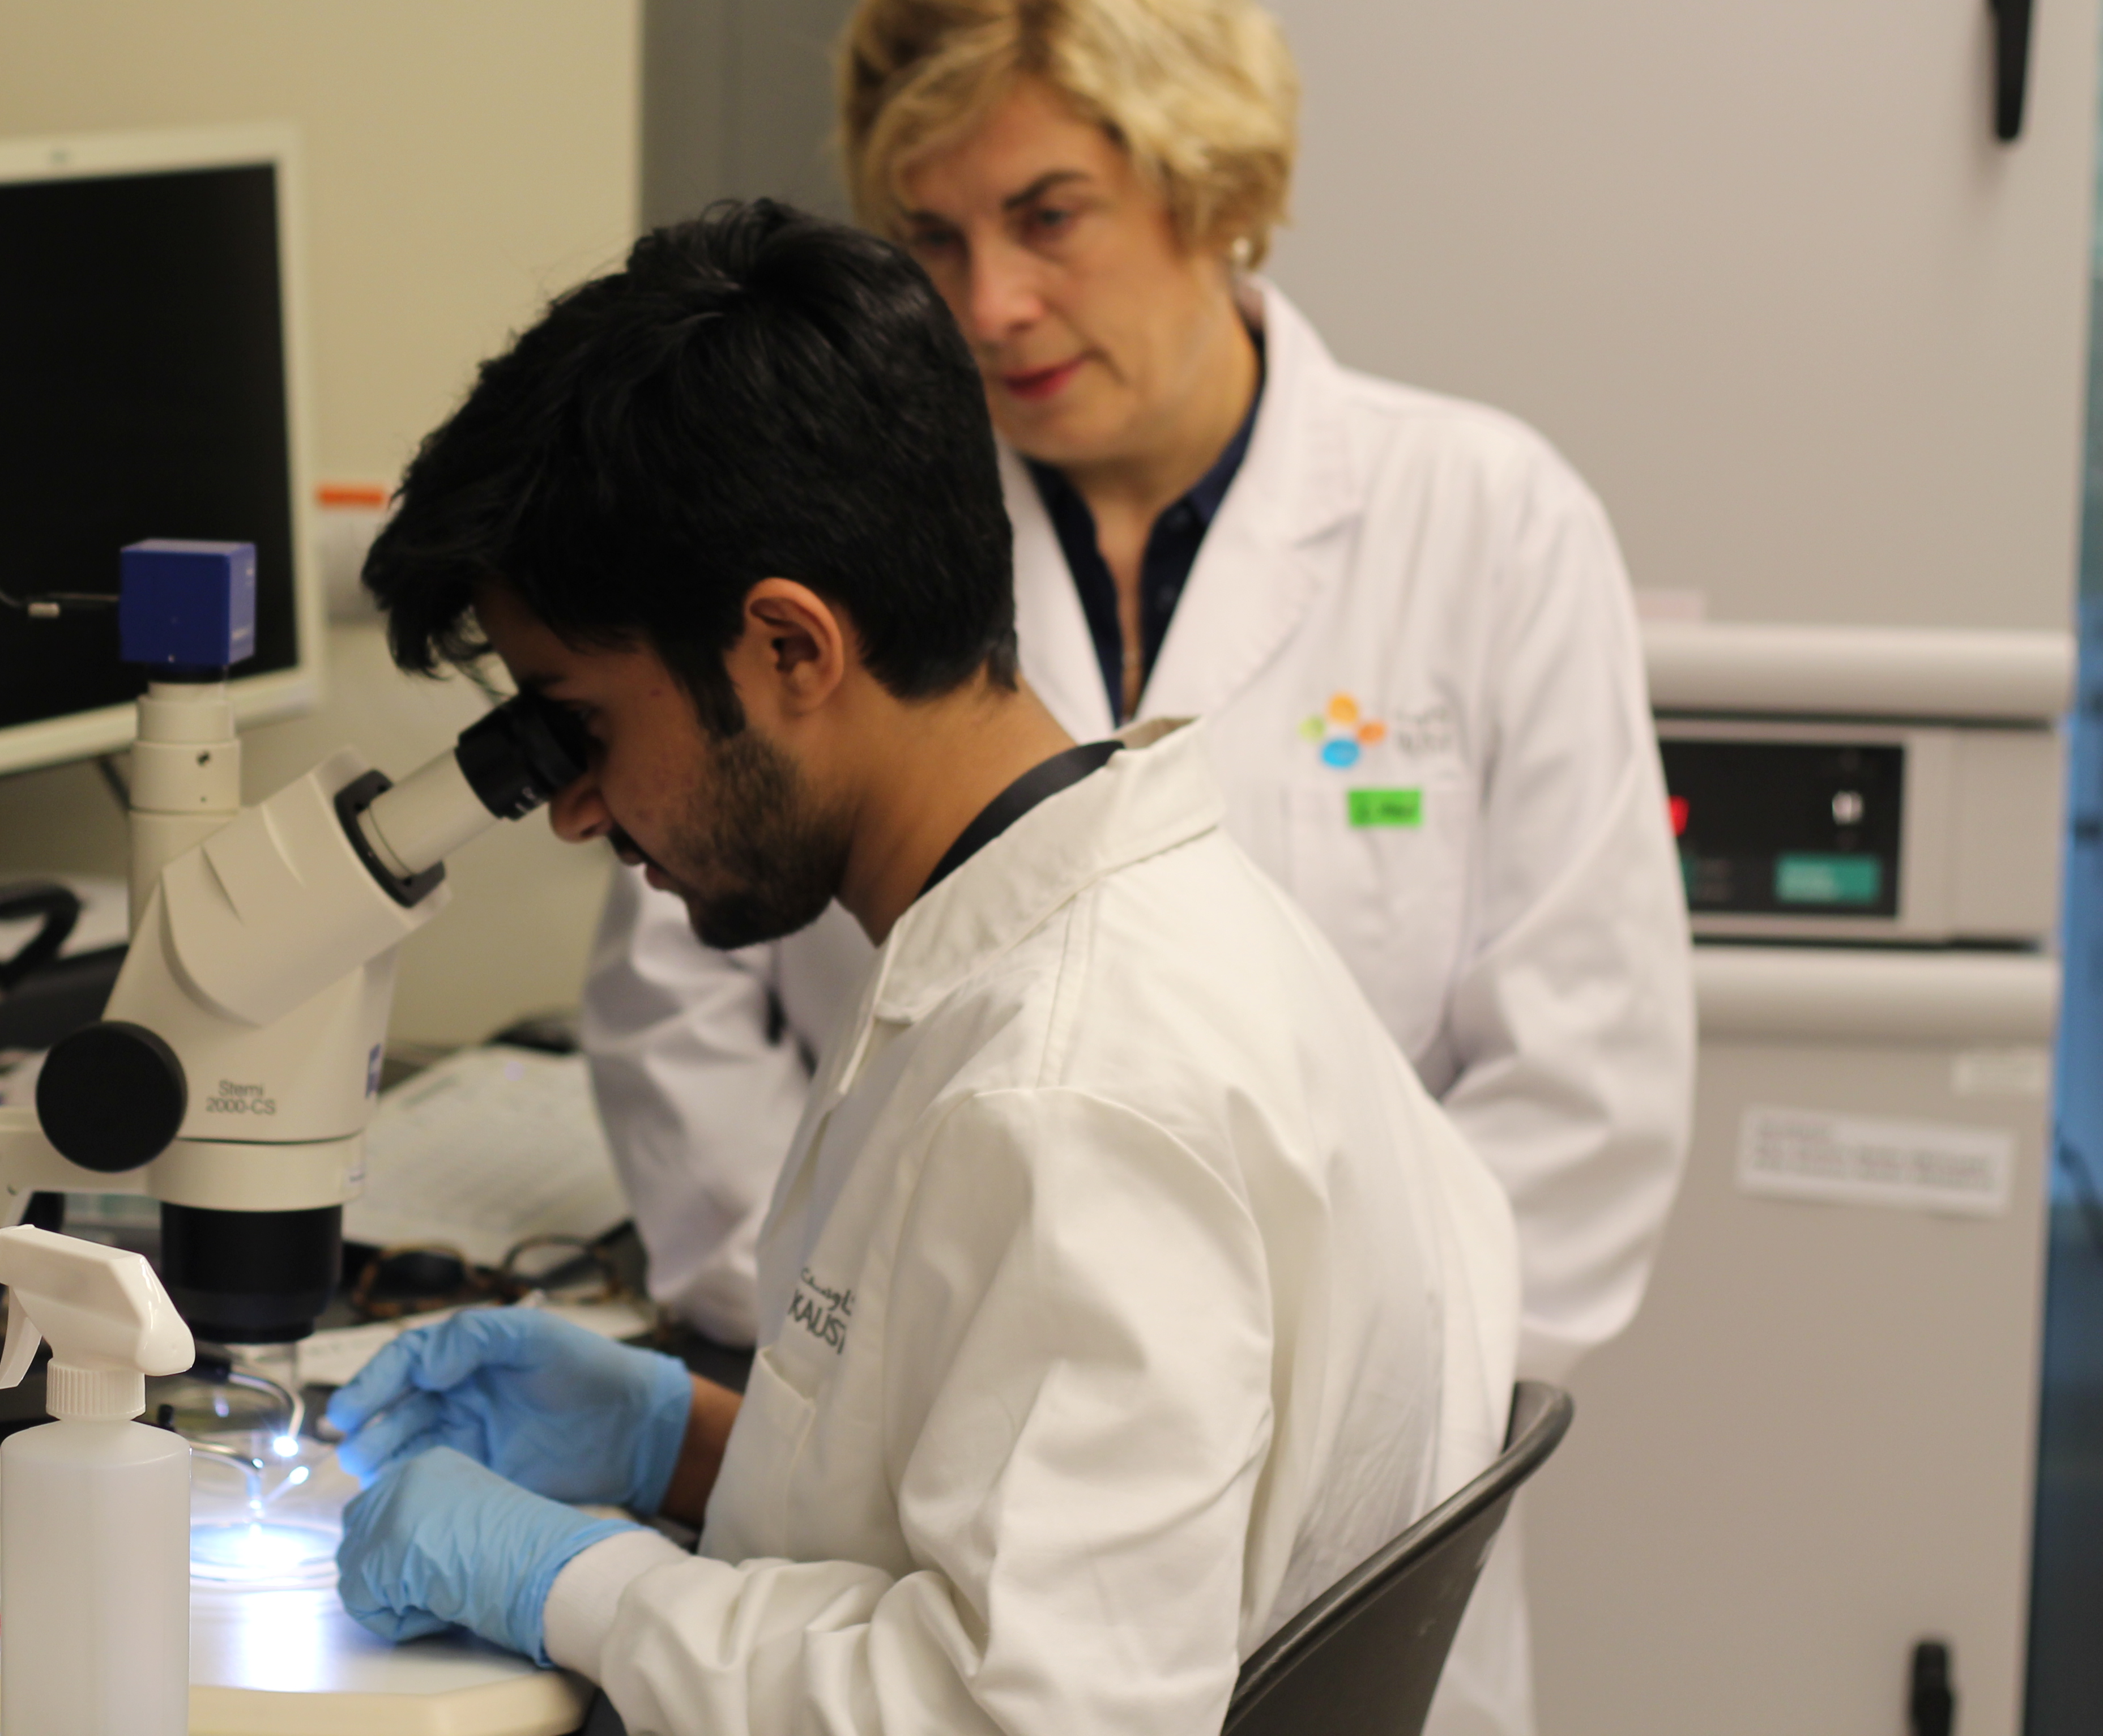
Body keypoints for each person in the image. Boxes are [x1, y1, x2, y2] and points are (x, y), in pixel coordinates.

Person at [579, 0, 1695, 1733]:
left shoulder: (1487, 521)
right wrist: (840, 1377)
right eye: (930, 237)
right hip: (895, 1493)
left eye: (1049, 216)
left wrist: (1257, 1452)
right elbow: (678, 981)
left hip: (1333, 1554)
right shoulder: (840, 531)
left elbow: (1589, 1090)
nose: (990, 304)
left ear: (1206, 179)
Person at [330, 200, 1518, 1734]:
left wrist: (576, 1584)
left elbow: (1031, 1718)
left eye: (584, 724)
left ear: (792, 649)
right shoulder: (1106, 931)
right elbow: (1034, 1516)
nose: (570, 808)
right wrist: (687, 1444)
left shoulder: (1071, 1092)